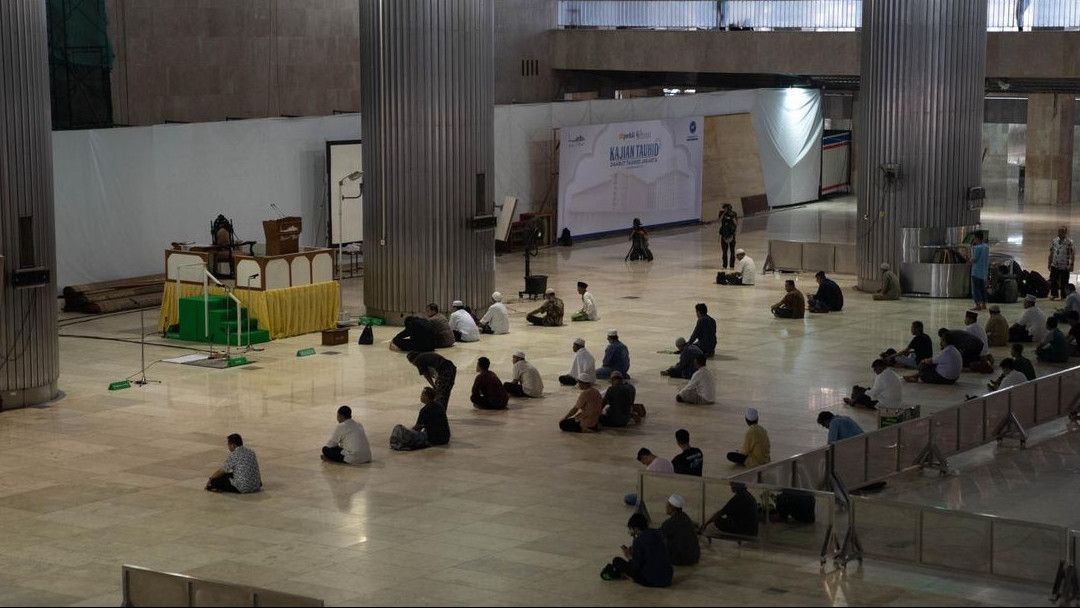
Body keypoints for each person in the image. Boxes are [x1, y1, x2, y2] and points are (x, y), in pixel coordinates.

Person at [604, 513, 673, 588]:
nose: (630, 532)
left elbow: (635, 567)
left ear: (636, 529)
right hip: (668, 578)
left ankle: (630, 577)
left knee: (616, 561)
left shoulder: (638, 541)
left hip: (653, 581)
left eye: (631, 529)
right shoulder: (658, 533)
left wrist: (629, 556)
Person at [660, 495, 700, 566]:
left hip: (681, 560)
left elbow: (657, 537)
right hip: (694, 557)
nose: (666, 507)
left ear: (672, 507)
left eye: (667, 505)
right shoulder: (686, 517)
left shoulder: (669, 523)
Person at [1048, 226, 1075, 300]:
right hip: (1054, 264)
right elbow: (1051, 252)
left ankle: (1064, 295)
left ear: (1065, 233)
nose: (1060, 233)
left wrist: (1071, 264)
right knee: (1053, 280)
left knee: (1064, 282)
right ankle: (1054, 294)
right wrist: (1049, 263)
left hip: (1064, 265)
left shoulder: (1069, 242)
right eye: (1059, 231)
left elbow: (1072, 254)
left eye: (1062, 232)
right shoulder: (1054, 241)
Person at [970, 231, 990, 311]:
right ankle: (984, 304)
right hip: (984, 272)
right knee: (983, 289)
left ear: (977, 238)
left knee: (976, 289)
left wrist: (969, 259)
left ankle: (978, 305)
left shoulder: (977, 248)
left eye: (974, 238)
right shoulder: (986, 247)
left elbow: (974, 259)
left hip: (976, 272)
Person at [718, 203, 739, 269]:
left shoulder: (733, 213)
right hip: (724, 234)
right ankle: (724, 265)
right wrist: (724, 213)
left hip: (731, 234)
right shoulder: (721, 213)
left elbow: (736, 223)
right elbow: (719, 221)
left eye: (727, 208)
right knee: (724, 251)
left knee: (732, 251)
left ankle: (732, 266)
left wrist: (732, 217)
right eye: (725, 208)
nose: (726, 209)